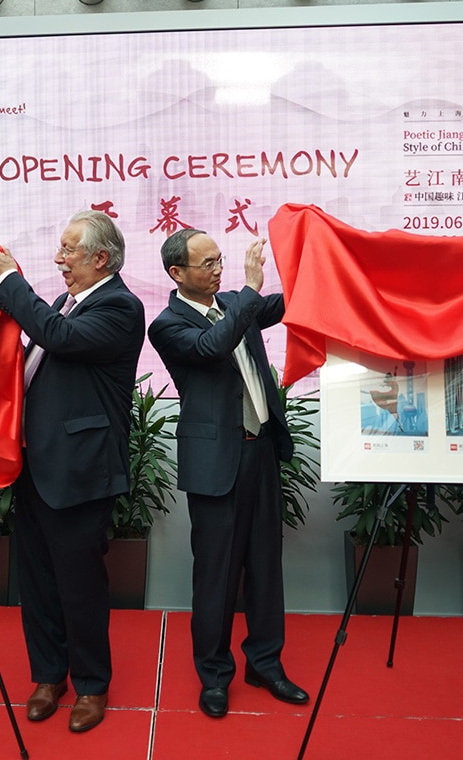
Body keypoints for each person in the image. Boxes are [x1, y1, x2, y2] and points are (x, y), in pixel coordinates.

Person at [0, 210, 145, 733]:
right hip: (36, 464)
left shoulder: (121, 306)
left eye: (68, 251)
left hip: (80, 473)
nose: (59, 260)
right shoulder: (65, 302)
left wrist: (11, 281)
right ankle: (48, 675)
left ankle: (92, 685)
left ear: (101, 258)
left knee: (80, 586)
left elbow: (59, 338)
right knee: (36, 581)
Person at [148, 229, 308, 719]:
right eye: (208, 263)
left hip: (260, 453)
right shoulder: (167, 325)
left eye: (221, 260)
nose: (220, 269)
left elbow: (289, 306)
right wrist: (251, 291)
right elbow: (214, 347)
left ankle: (265, 663)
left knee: (265, 567)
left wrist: (322, 262)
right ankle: (214, 675)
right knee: (216, 575)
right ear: (177, 273)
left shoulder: (238, 304)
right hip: (216, 463)